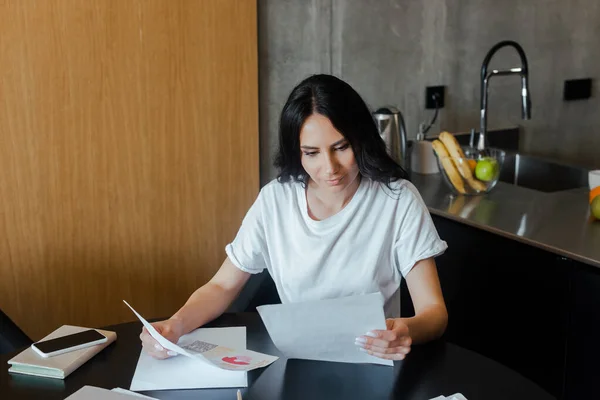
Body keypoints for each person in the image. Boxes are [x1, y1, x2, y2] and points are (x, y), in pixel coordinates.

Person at [140, 74, 448, 361]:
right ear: (296, 152)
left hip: (373, 364)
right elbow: (222, 287)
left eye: (340, 147)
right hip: (297, 362)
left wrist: (406, 331)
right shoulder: (275, 201)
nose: (330, 168)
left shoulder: (398, 200)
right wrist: (175, 325)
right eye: (311, 153)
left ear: (361, 139)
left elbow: (434, 313)